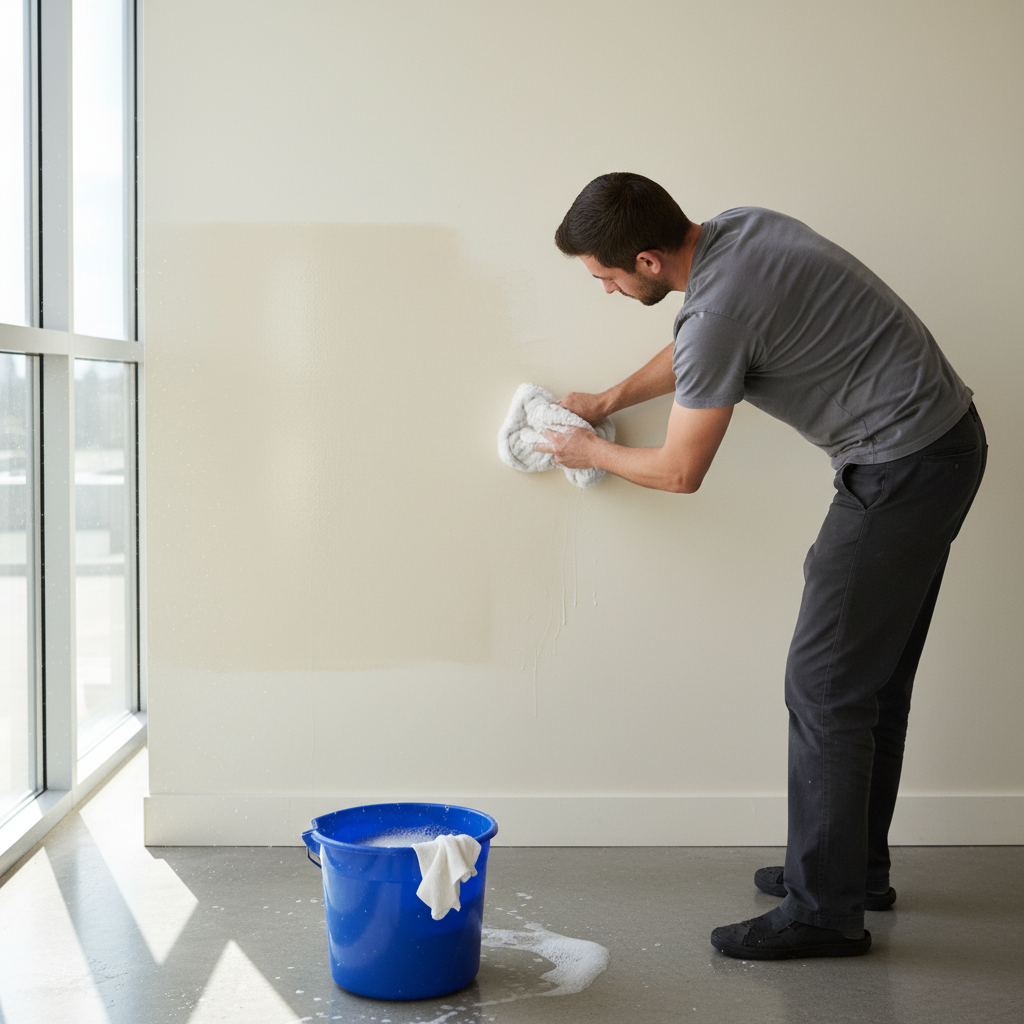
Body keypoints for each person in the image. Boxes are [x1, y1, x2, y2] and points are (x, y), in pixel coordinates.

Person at [538, 172, 986, 960]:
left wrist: (587, 449)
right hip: (942, 444)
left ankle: (824, 911)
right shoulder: (740, 228)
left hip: (902, 469)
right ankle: (852, 871)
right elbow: (702, 347)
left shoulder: (714, 313)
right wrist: (608, 400)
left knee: (826, 686)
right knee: (869, 682)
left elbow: (680, 470)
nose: (605, 291)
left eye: (606, 278)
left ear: (646, 261)